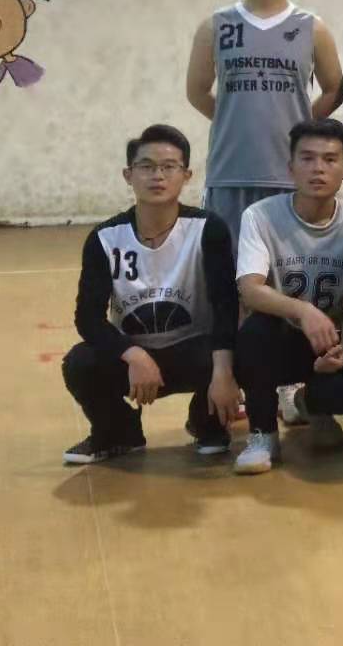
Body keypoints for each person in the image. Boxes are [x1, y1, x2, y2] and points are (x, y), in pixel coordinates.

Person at [61, 125, 241, 464]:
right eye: (146, 166)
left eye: (169, 166)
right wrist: (133, 355)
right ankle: (118, 432)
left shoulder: (208, 229)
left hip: (194, 352)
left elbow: (225, 307)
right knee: (80, 363)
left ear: (186, 175)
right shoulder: (105, 238)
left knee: (238, 349)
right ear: (128, 175)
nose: (157, 175)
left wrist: (223, 374)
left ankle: (207, 423)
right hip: (133, 356)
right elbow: (88, 318)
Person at [185, 0, 343, 251]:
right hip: (231, 170)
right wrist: (234, 118)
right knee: (228, 267)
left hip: (291, 173)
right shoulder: (216, 25)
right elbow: (196, 91)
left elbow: (334, 89)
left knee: (287, 267)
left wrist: (301, 125)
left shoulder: (312, 28)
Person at [231, 119, 343, 474]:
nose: (318, 168)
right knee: (253, 333)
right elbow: (250, 289)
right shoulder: (260, 216)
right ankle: (262, 434)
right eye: (307, 158)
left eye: (329, 159)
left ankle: (316, 405)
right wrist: (303, 311)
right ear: (290, 167)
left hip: (329, 342)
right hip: (279, 338)